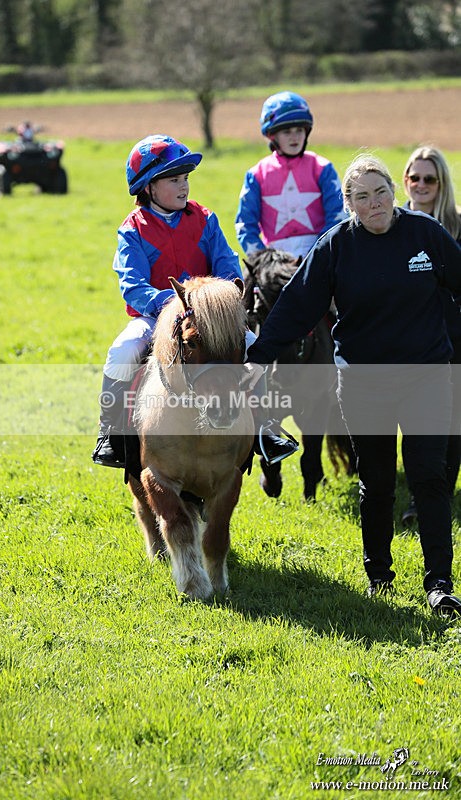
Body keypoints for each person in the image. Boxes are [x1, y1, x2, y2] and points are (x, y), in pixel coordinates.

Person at [244, 153, 461, 616]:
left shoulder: (426, 235)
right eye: (362, 197)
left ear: (394, 192)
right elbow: (297, 307)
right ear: (349, 204)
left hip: (426, 377)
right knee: (377, 482)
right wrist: (256, 358)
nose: (374, 203)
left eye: (381, 192)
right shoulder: (336, 246)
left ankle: (440, 584)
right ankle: (379, 575)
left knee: (429, 477)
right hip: (364, 383)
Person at [92, 134, 295, 469]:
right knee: (123, 350)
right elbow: (133, 285)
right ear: (149, 187)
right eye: (174, 180)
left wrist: (216, 300)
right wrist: (170, 304)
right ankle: (110, 433)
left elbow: (227, 266)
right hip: (154, 317)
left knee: (252, 344)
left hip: (207, 317)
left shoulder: (205, 218)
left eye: (185, 178)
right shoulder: (132, 229)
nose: (184, 186)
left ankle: (265, 428)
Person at [401, 146, 461, 526]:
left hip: (453, 342)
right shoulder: (392, 225)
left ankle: (428, 501)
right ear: (405, 180)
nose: (421, 185)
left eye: (430, 179)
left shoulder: (458, 227)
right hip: (404, 342)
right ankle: (415, 494)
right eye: (415, 177)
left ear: (442, 184)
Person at [235, 91, 345, 260]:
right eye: (287, 132)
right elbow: (245, 225)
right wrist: (264, 261)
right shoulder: (256, 175)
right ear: (272, 135)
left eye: (299, 130)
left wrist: (317, 255)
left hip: (322, 256)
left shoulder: (323, 168)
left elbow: (338, 217)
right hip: (274, 261)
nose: (295, 137)